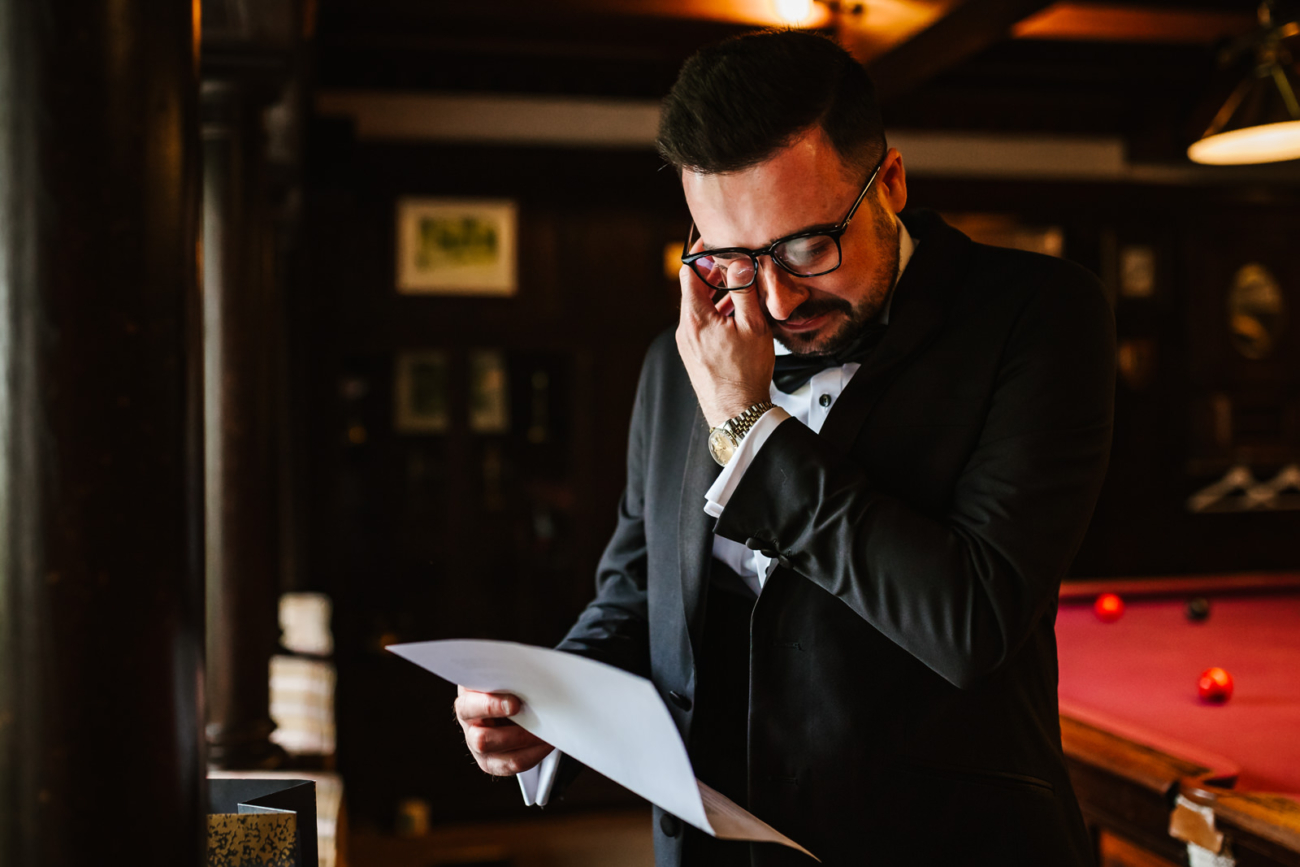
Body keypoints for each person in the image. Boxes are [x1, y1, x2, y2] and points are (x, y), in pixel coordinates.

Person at [454, 29, 1114, 867]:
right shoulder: (675, 358)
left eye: (807, 246)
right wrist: (545, 706)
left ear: (892, 184)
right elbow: (637, 596)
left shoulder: (1038, 315)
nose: (772, 297)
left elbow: (970, 622)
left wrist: (746, 425)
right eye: (729, 256)